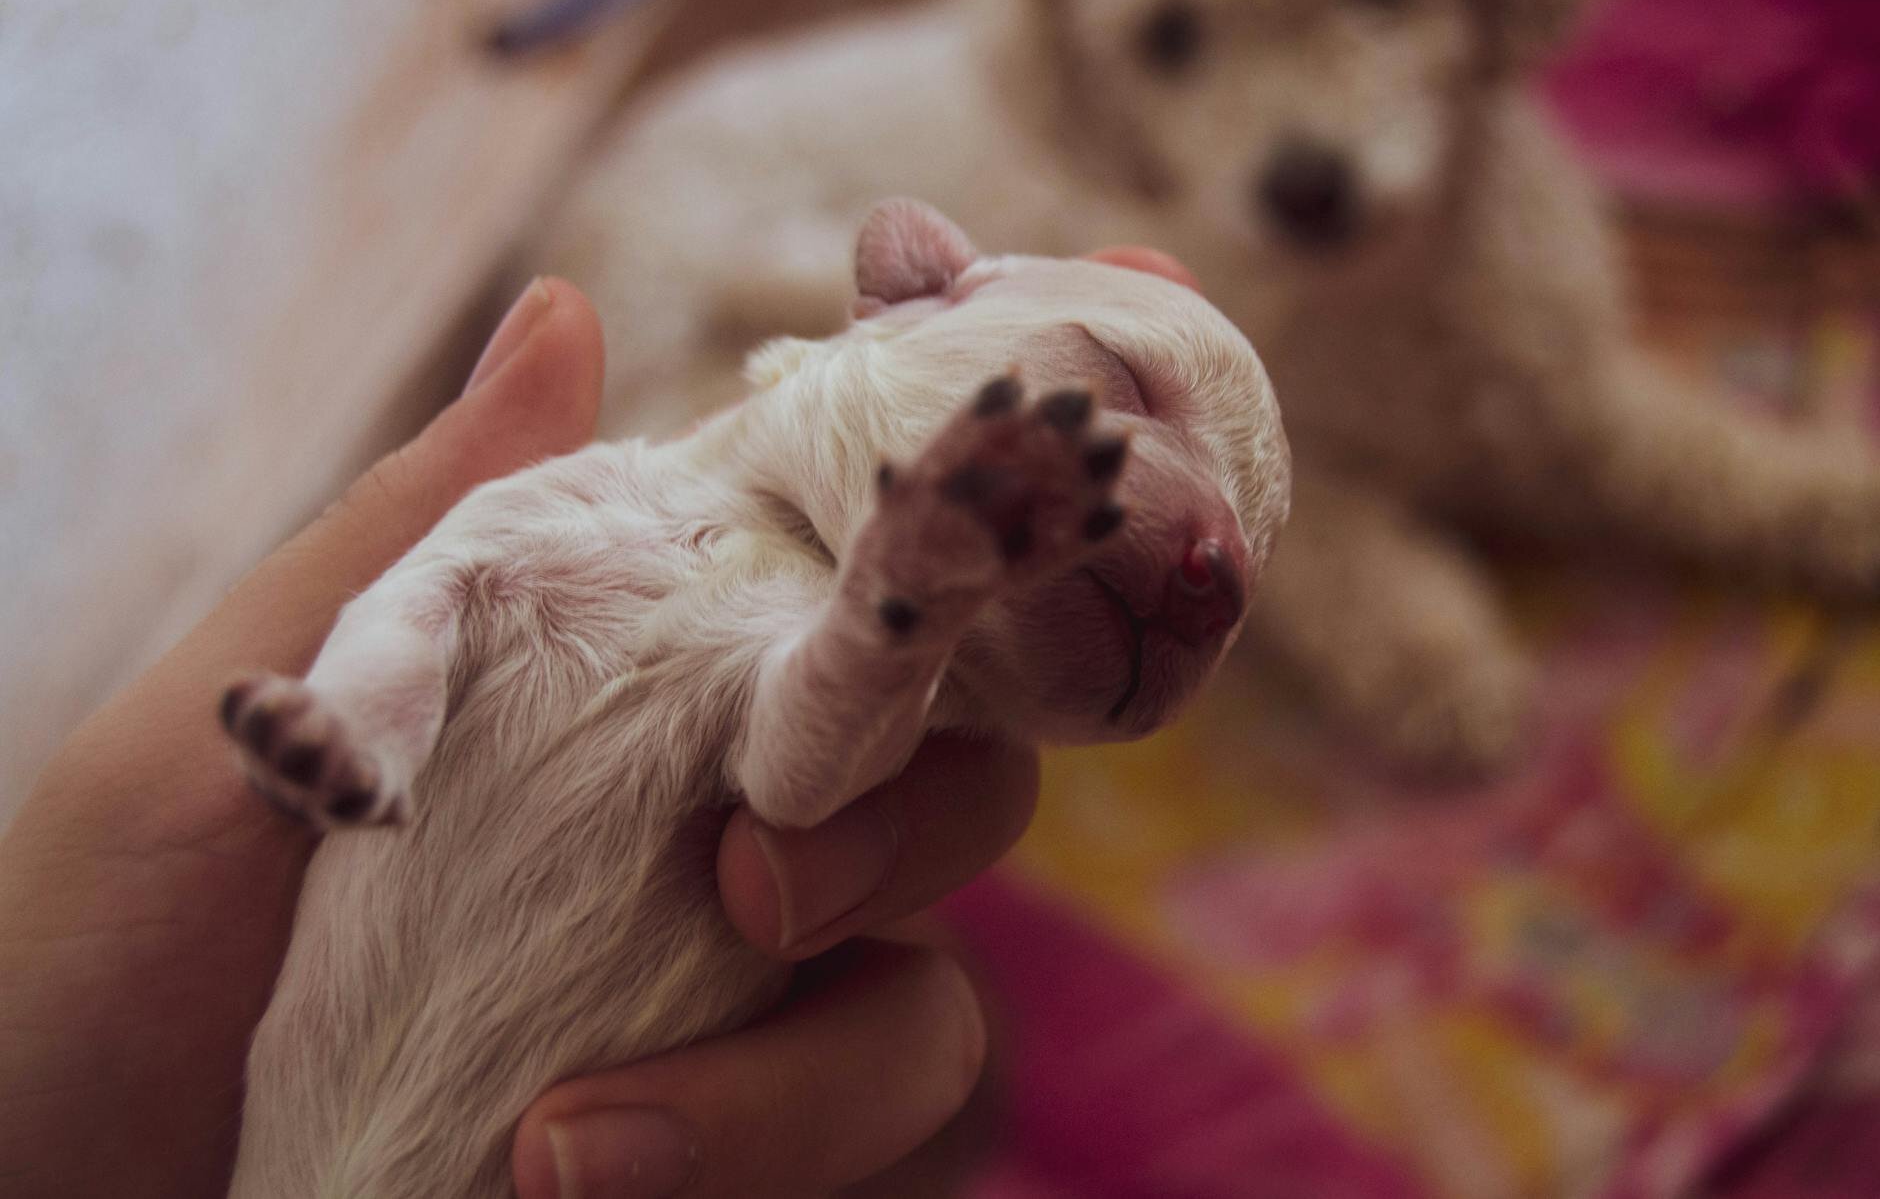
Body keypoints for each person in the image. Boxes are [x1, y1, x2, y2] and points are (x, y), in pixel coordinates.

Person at [0, 248, 1198, 1199]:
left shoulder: (874, 659)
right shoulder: (604, 484)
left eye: (1223, 609)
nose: (1205, 565)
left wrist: (903, 604)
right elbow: (434, 585)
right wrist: (362, 717)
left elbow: (793, 770)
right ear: (915, 292)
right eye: (1120, 385)